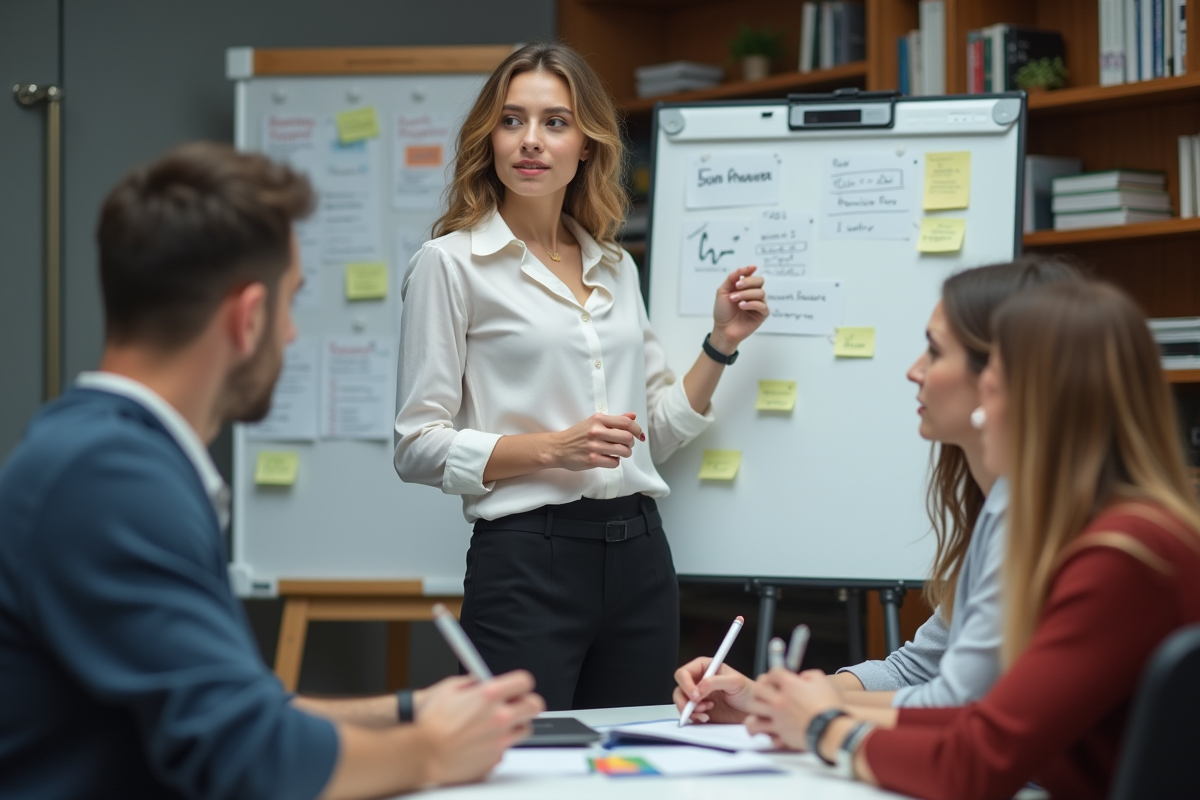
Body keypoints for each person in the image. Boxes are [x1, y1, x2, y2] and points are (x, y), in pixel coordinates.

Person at [0, 142, 543, 800]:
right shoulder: (110, 481)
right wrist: (430, 751)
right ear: (248, 316)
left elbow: (237, 705)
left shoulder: (106, 457)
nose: (290, 334)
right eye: (290, 303)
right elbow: (249, 757)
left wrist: (408, 711)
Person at [393, 42, 768, 711]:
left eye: (555, 122)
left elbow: (653, 433)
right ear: (489, 138)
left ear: (586, 144)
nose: (530, 141)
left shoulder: (615, 266)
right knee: (523, 756)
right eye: (512, 121)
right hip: (526, 560)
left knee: (635, 751)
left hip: (641, 557)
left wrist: (721, 344)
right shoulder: (448, 265)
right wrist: (553, 449)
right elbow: (416, 446)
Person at [745, 281, 1200, 800]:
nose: (982, 413)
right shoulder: (1121, 532)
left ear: (1040, 404)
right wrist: (794, 705)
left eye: (993, 388)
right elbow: (980, 718)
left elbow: (974, 761)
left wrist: (824, 727)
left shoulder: (1120, 557)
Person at [672, 257, 1079, 723]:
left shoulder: (1048, 528)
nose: (914, 371)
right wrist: (765, 699)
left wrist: (815, 719)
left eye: (935, 352)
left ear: (1001, 373)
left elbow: (961, 710)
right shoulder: (1000, 510)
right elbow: (917, 671)